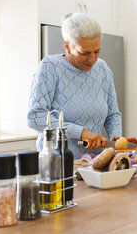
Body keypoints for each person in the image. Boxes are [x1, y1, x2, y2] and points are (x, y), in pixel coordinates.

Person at [27, 12, 124, 158]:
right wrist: (82, 133)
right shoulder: (50, 68)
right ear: (67, 47)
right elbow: (35, 118)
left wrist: (117, 139)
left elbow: (112, 115)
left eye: (97, 51)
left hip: (94, 162)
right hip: (56, 163)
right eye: (84, 53)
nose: (92, 59)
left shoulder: (102, 69)